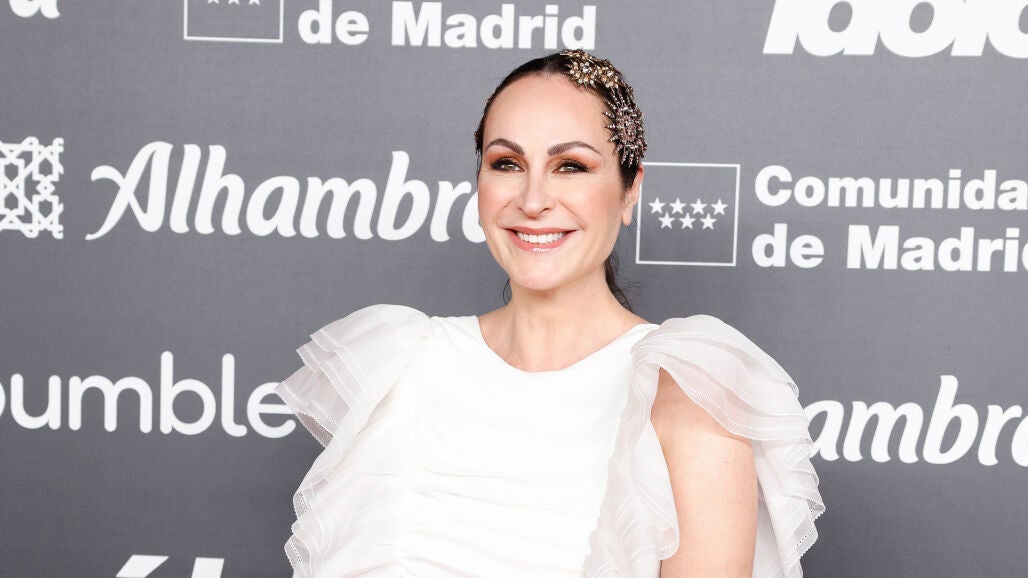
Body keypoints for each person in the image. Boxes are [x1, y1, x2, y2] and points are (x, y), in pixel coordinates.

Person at [276, 50, 823, 578]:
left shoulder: (688, 391)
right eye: (507, 163)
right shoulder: (401, 369)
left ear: (630, 190)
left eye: (570, 166)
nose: (533, 199)